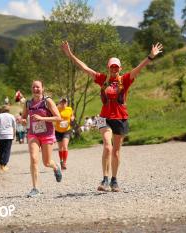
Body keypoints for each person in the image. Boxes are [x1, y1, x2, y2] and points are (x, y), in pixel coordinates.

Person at [62, 40, 163, 192]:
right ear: (108, 68)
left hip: (121, 118)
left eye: (116, 66)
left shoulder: (125, 80)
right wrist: (70, 55)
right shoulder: (102, 79)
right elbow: (85, 68)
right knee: (107, 147)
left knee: (116, 151)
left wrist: (150, 56)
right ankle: (105, 179)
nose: (114, 69)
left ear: (120, 68)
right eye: (112, 66)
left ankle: (114, 181)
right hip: (104, 118)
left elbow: (139, 68)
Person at [22, 80, 62, 197]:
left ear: (42, 88)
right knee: (34, 159)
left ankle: (55, 167)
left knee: (46, 162)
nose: (35, 89)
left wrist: (42, 118)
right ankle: (35, 188)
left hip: (47, 134)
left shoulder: (47, 101)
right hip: (33, 134)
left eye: (38, 87)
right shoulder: (28, 103)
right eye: (33, 87)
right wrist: (23, 121)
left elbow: (58, 118)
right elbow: (24, 117)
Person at [0, 105, 16, 172]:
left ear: (2, 110)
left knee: (1, 150)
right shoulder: (11, 116)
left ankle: (1, 165)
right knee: (7, 150)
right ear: (8, 110)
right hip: (9, 135)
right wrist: (14, 135)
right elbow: (14, 127)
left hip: (0, 136)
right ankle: (4, 165)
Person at [55, 97, 75, 170]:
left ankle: (64, 162)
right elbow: (53, 116)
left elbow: (72, 115)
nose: (63, 104)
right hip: (58, 130)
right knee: (60, 147)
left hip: (67, 130)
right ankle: (61, 161)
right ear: (59, 103)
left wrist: (72, 117)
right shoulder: (56, 109)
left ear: (66, 103)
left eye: (65, 102)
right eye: (62, 102)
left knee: (65, 146)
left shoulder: (69, 109)